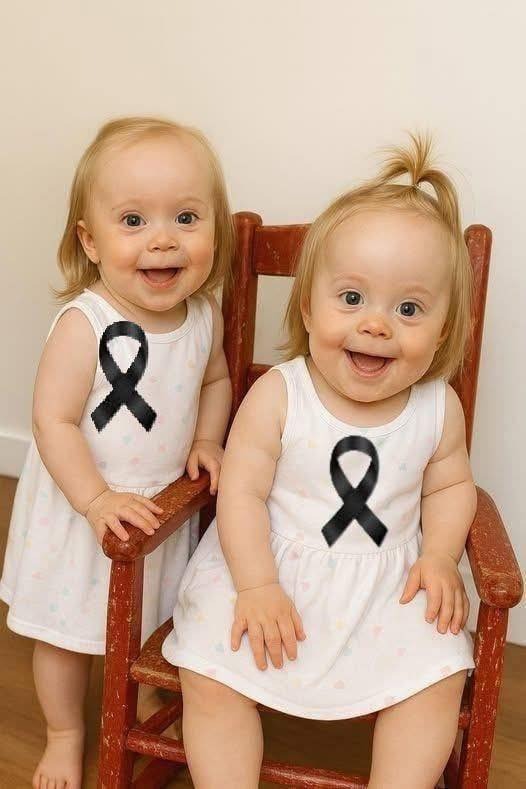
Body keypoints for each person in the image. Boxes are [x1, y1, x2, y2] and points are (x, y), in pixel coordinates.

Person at [162, 134, 477, 788]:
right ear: (308, 306)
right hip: (266, 563)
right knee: (210, 675)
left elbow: (450, 487)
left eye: (409, 309)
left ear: (443, 329)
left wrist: (442, 554)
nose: (376, 324)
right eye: (352, 298)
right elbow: (241, 493)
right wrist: (257, 585)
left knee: (438, 673)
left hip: (386, 581)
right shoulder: (281, 394)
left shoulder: (436, 408)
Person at [0, 116, 234, 789]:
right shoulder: (86, 324)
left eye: (186, 217)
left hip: (157, 506)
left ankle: (151, 695)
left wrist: (207, 438)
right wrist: (95, 498)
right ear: (90, 241)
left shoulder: (202, 316)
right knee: (66, 633)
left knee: (155, 617)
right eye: (133, 220)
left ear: (214, 229)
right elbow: (53, 420)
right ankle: (64, 732)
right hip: (83, 507)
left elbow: (214, 380)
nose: (163, 238)